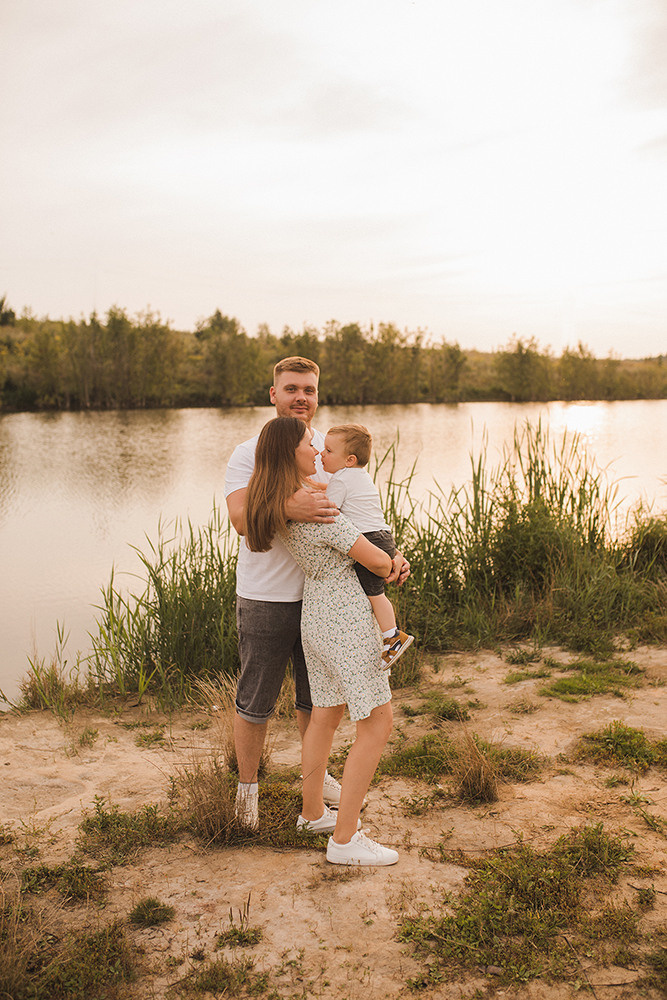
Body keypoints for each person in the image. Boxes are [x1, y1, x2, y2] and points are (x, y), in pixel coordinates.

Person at [224, 357, 409, 832]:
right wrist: (292, 505)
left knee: (317, 701)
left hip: (321, 599)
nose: (300, 397)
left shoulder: (325, 450)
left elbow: (358, 517)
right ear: (273, 394)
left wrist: (392, 554)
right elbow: (243, 520)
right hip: (265, 596)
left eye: (308, 388)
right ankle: (248, 792)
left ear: (318, 395)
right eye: (290, 388)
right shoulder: (253, 452)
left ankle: (316, 785)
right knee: (256, 700)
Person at [245, 416, 399, 865]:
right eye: (309, 445)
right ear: (288, 453)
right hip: (346, 617)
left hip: (316, 613)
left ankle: (313, 813)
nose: (316, 451)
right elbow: (376, 561)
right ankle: (345, 840)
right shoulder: (319, 507)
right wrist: (391, 561)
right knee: (377, 722)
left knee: (324, 716)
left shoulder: (282, 502)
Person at [321, 423, 414, 669]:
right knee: (372, 593)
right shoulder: (359, 476)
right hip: (383, 537)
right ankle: (384, 636)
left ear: (349, 459)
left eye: (328, 451)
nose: (322, 454)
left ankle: (392, 637)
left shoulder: (340, 479)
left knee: (374, 594)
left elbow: (329, 508)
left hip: (368, 539)